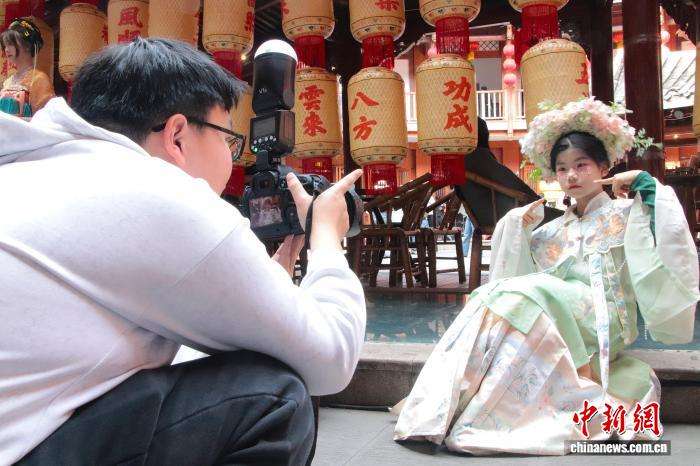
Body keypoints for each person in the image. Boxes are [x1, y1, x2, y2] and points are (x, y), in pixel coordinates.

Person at [0, 38, 366, 465]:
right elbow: (331, 360)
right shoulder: (158, 192)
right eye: (229, 140)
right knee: (273, 398)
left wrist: (257, 294)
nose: (232, 159)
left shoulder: (30, 168)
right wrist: (326, 237)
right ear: (177, 135)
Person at [394, 98, 699, 455]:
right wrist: (517, 229)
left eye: (582, 165)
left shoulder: (625, 214)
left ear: (604, 166)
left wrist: (645, 183)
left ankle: (456, 408)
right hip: (562, 315)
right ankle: (446, 406)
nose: (571, 176)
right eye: (562, 168)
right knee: (497, 295)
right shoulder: (550, 231)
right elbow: (522, 276)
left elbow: (668, 236)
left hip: (605, 319)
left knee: (522, 291)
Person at [0, 17, 54, 118]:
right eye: (5, 45)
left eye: (11, 44)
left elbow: (45, 117)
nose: (6, 49)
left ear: (28, 46)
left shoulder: (39, 79)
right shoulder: (8, 81)